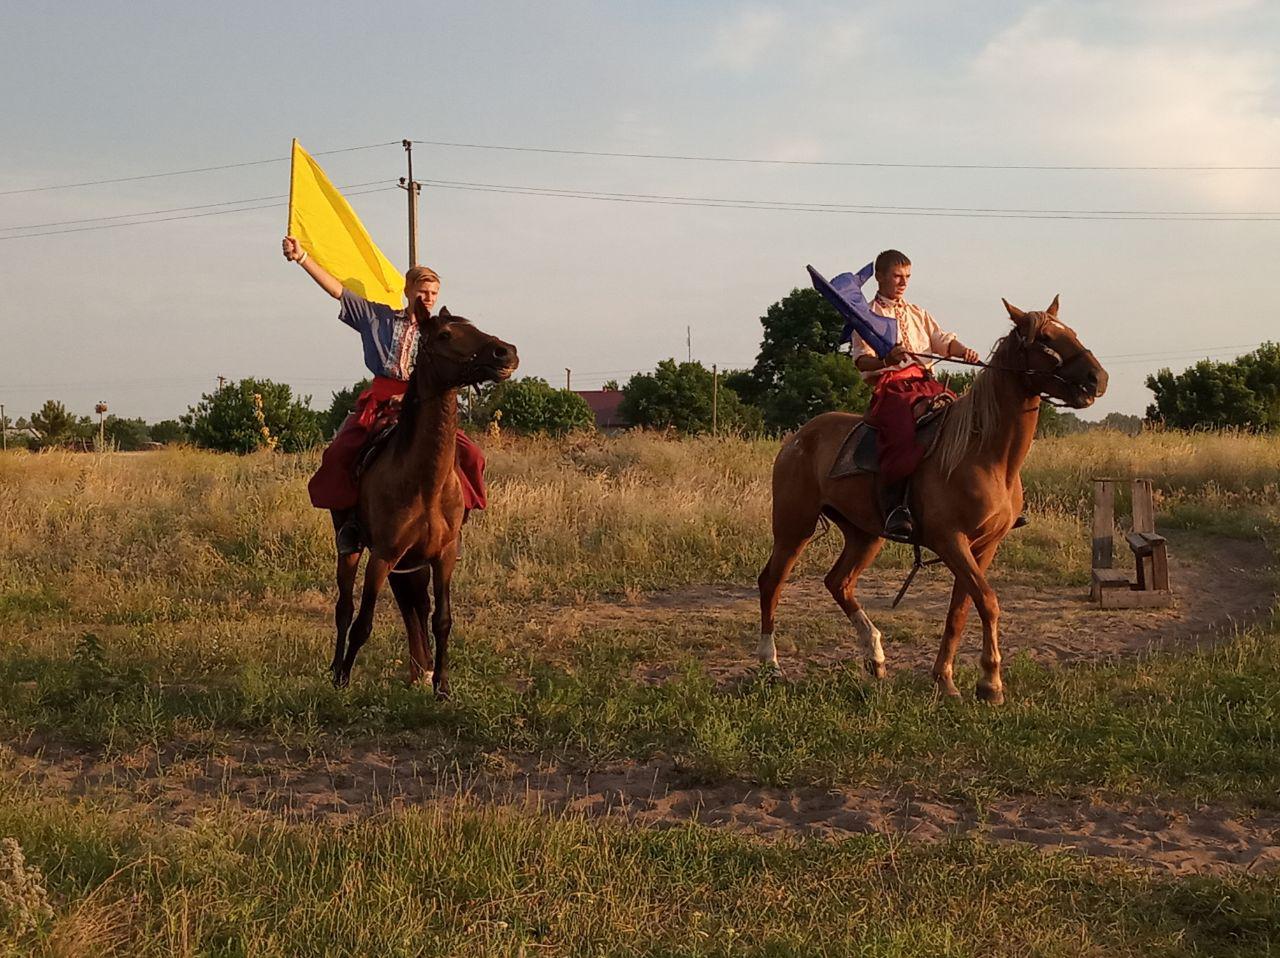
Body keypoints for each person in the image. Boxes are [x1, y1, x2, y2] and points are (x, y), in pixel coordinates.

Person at [281, 235, 487, 554]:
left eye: (434, 293)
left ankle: (454, 527)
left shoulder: (444, 334)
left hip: (426, 409)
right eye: (423, 291)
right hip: (380, 403)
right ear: (408, 291)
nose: (429, 298)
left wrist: (413, 398)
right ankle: (349, 526)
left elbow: (453, 373)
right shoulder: (378, 318)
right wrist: (302, 257)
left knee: (472, 455)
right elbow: (338, 290)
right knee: (339, 454)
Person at [848, 249, 980, 541]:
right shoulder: (867, 317)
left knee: (962, 418)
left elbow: (943, 341)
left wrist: (964, 351)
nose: (903, 282)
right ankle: (896, 507)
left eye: (907, 276)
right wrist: (887, 361)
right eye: (897, 276)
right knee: (901, 432)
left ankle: (971, 499)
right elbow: (860, 360)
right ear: (880, 277)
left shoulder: (918, 313)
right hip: (892, 388)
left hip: (926, 383)